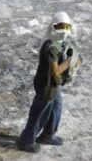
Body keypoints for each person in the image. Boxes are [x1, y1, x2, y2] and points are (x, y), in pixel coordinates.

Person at [16, 11, 80, 153]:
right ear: (53, 27)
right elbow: (56, 71)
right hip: (46, 86)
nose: (64, 31)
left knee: (56, 109)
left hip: (55, 85)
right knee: (39, 113)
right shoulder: (50, 47)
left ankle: (47, 135)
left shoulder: (62, 42)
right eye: (60, 26)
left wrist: (74, 59)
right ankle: (26, 140)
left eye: (66, 27)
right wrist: (71, 61)